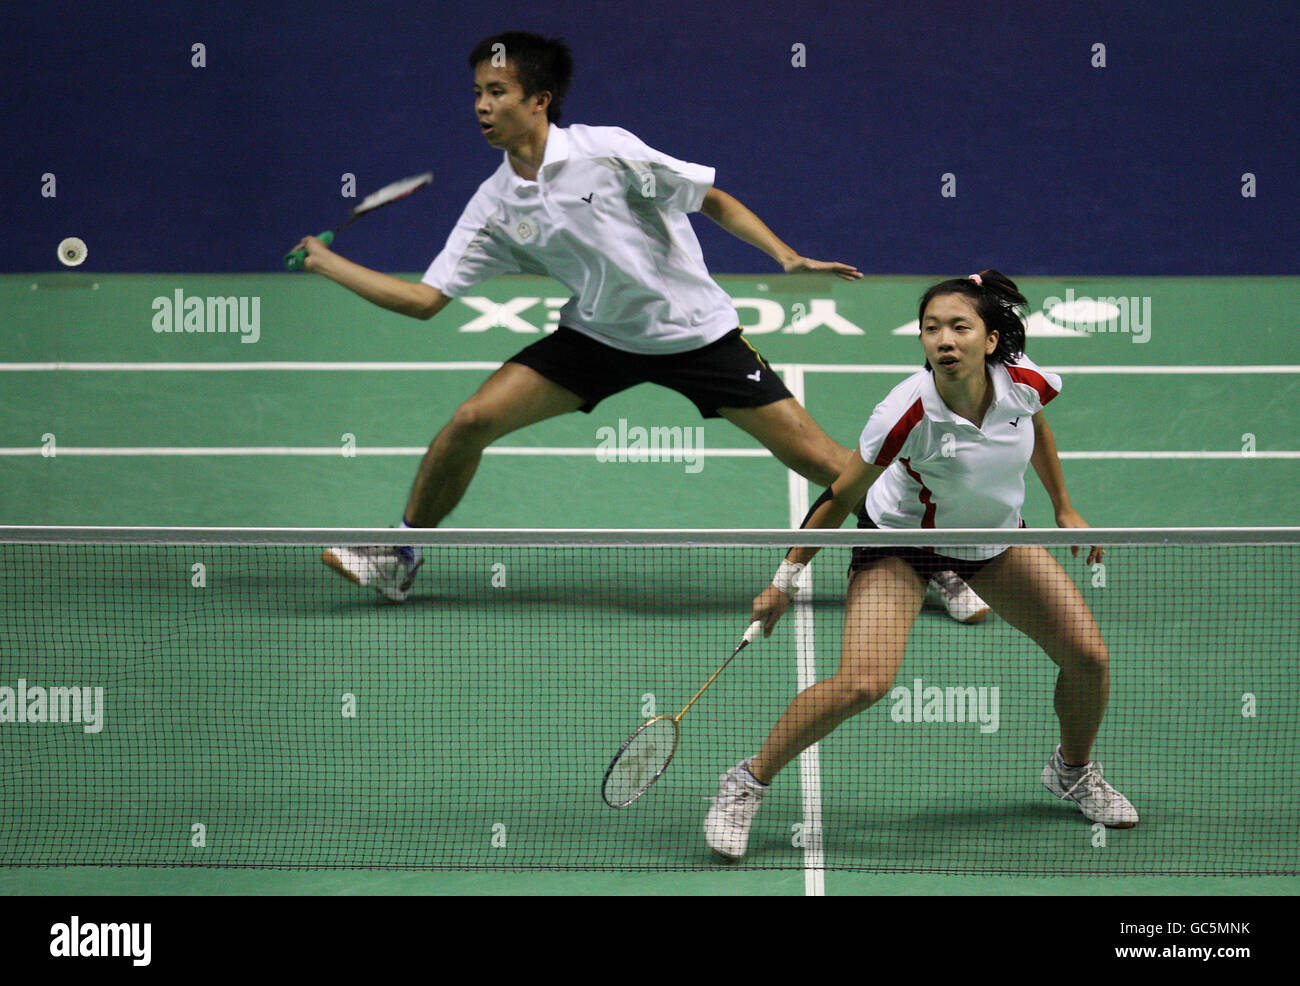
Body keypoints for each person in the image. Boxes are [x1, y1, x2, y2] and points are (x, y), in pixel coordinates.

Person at [289, 30, 988, 621]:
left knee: (826, 461)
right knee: (471, 420)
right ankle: (401, 551)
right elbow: (425, 300)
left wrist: (784, 256)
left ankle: (934, 559)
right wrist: (326, 262)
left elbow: (708, 198)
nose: (481, 105)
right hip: (597, 338)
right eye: (476, 92)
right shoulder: (495, 204)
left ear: (539, 100)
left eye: (497, 92)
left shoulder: (606, 152)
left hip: (696, 334)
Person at [704, 270, 1139, 860]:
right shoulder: (905, 411)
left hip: (989, 538)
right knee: (864, 681)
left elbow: (1035, 421)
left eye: (960, 327)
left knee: (1089, 658)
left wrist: (1064, 506)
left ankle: (1072, 771)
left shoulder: (1024, 381)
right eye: (932, 329)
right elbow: (840, 494)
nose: (944, 340)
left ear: (990, 339)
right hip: (902, 543)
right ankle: (747, 781)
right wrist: (784, 581)